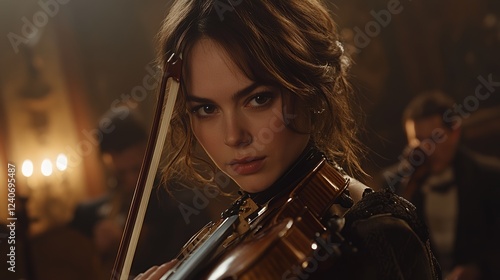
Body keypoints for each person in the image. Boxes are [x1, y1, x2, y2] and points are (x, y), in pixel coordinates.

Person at [133, 0, 441, 279]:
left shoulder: (375, 236)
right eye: (206, 108)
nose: (233, 136)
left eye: (258, 99)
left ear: (308, 89)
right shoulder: (238, 230)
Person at [70, 111, 210, 278]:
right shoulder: (86, 214)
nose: (131, 180)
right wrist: (93, 249)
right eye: (120, 174)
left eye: (136, 169)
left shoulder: (184, 202)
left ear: (147, 148)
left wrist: (127, 246)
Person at [382, 90, 500, 279]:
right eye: (418, 140)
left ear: (455, 132)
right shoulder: (394, 183)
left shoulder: (490, 177)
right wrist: (408, 186)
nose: (427, 148)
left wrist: (479, 270)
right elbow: (390, 248)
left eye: (435, 138)